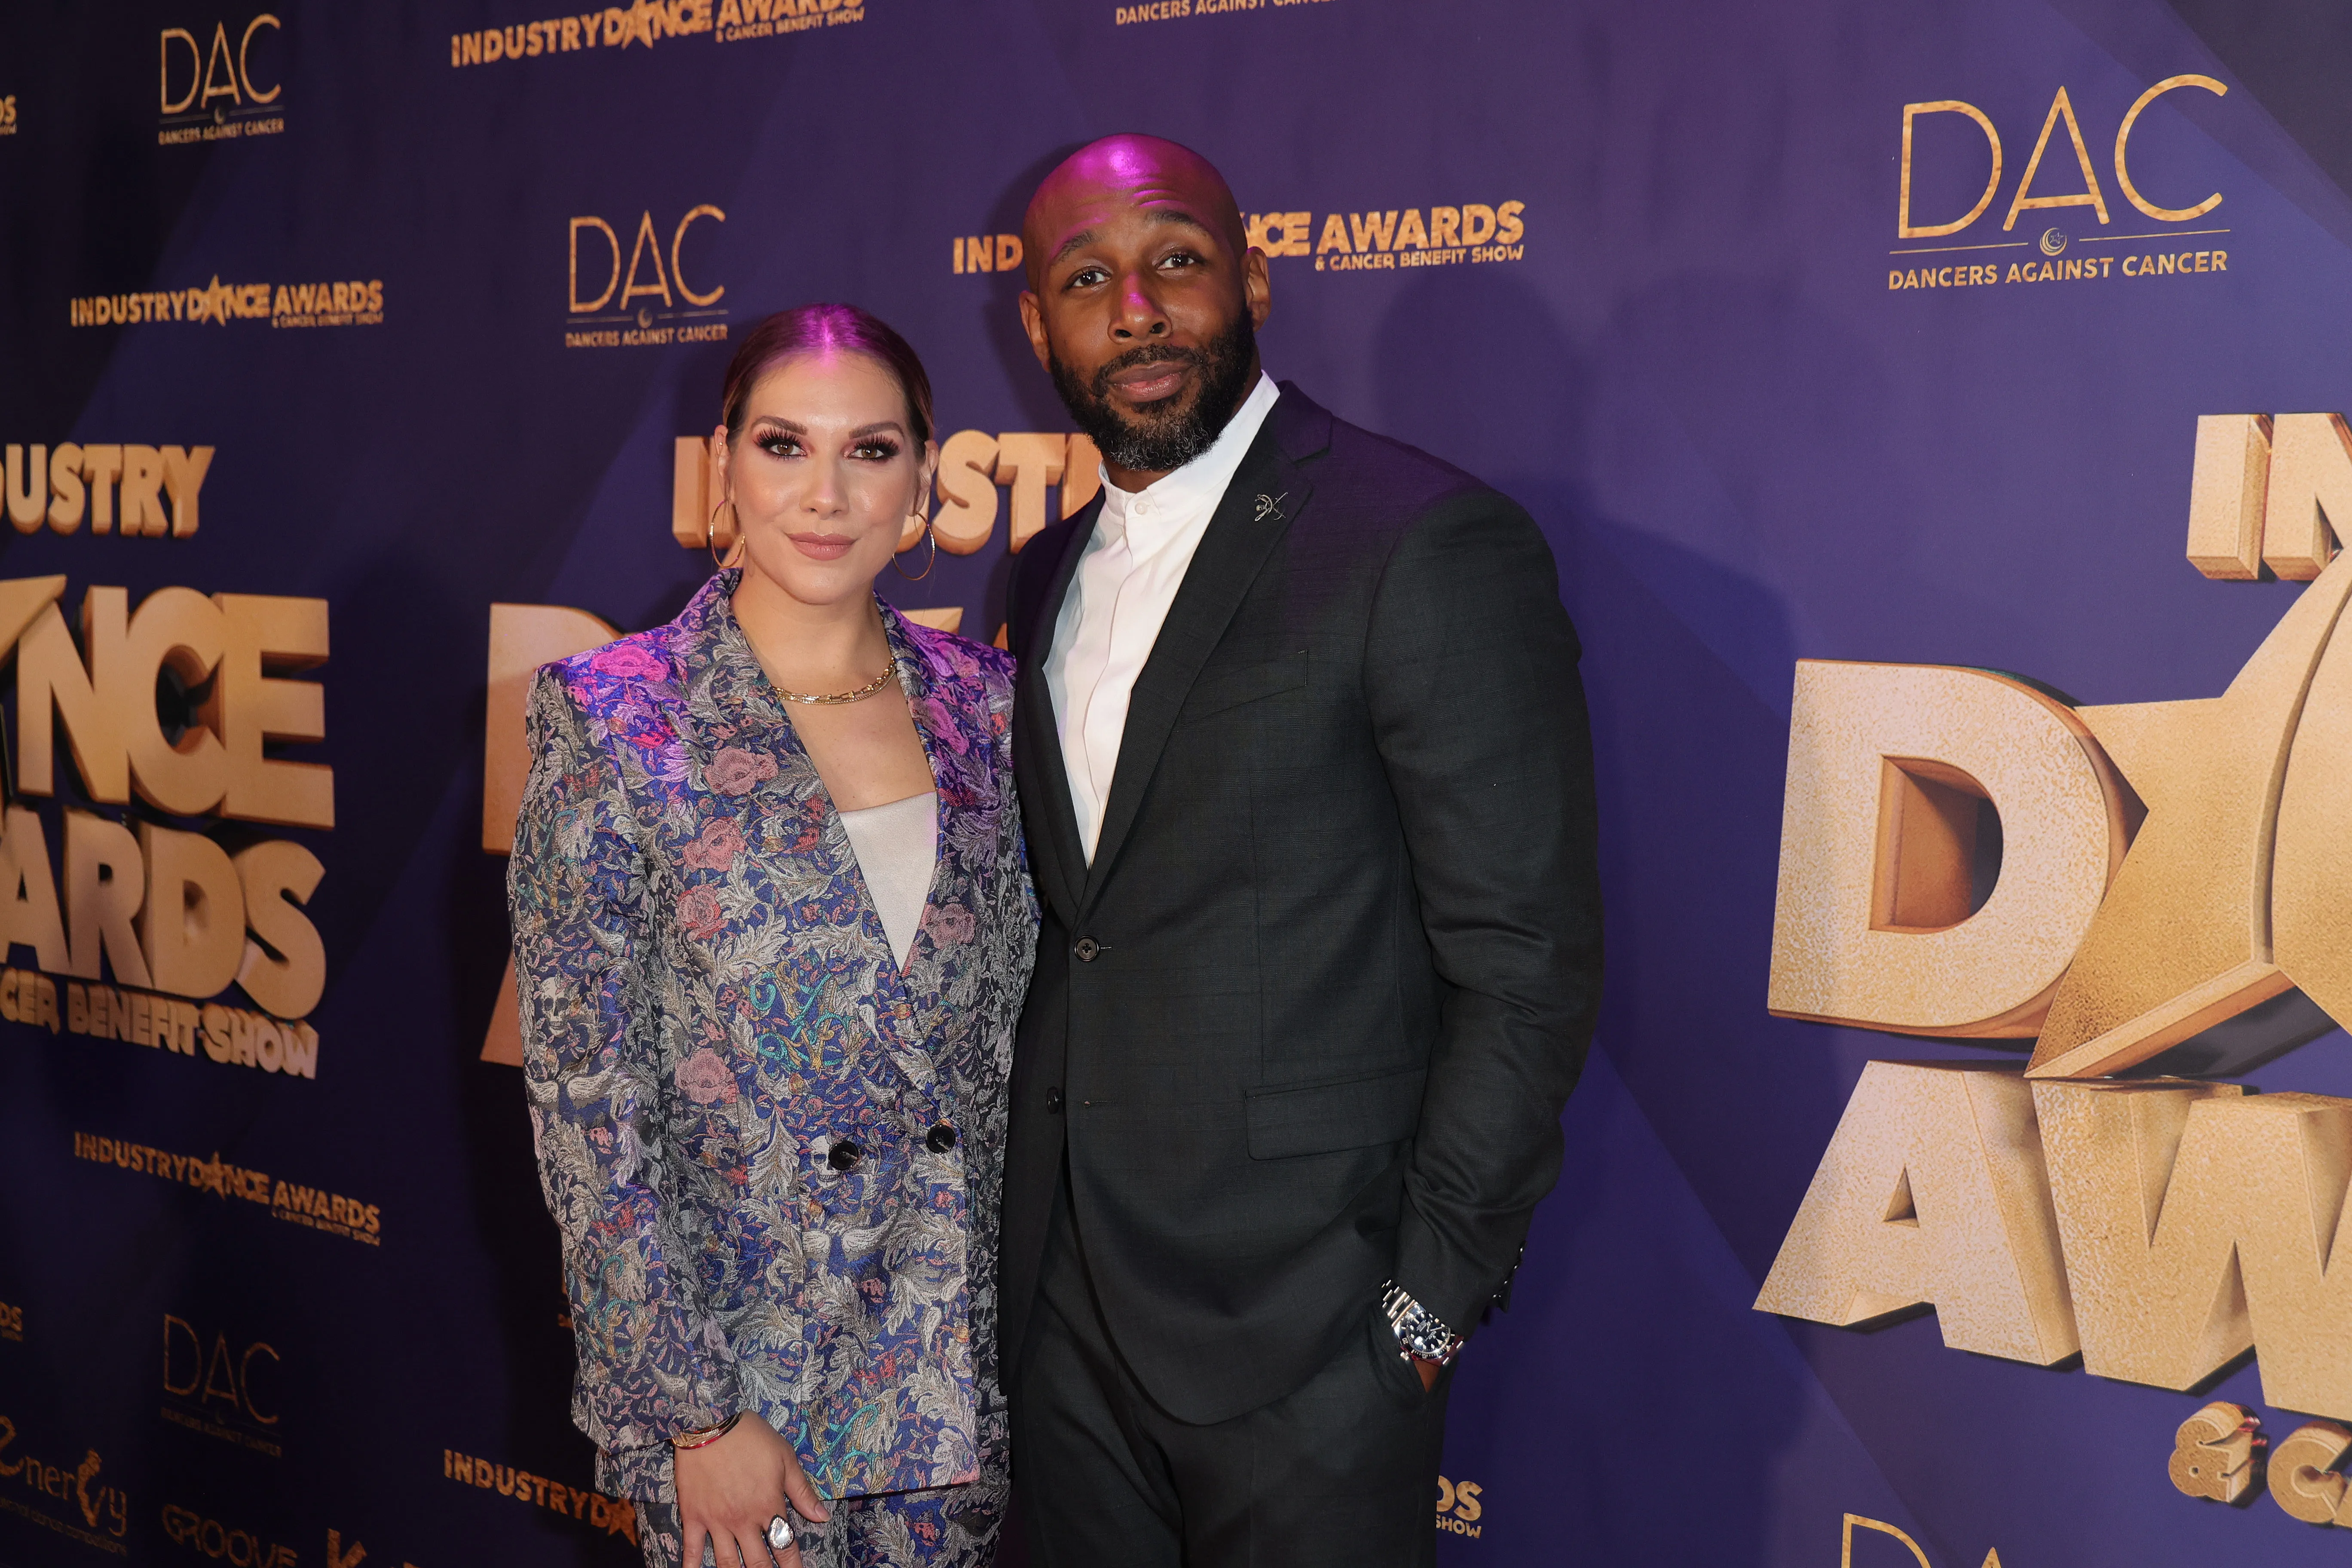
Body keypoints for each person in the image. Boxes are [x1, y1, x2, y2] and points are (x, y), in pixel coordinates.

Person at [998, 134, 1605, 1565]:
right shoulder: (1042, 571)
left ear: (1253, 274)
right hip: (1065, 1310)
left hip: (1311, 1329)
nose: (1135, 309)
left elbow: (1527, 958)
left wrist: (1426, 1297)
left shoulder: (1421, 540)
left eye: (1176, 262)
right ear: (1036, 325)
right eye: (1087, 279)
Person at [509, 304, 1035, 1568]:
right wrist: (694, 1415)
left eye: (870, 451)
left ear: (923, 484)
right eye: (786, 445)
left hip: (959, 1377)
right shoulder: (616, 715)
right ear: (723, 468)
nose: (826, 493)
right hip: (751, 1405)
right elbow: (589, 1106)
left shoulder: (991, 708)